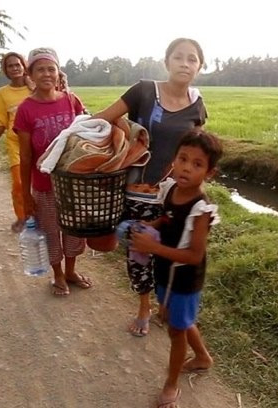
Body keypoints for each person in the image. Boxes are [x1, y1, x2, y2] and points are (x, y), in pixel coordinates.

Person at [93, 38, 207, 336]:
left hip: (175, 195)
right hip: (137, 191)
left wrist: (198, 192)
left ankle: (164, 303)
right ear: (167, 61)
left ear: (199, 67)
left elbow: (198, 150)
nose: (185, 63)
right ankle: (144, 306)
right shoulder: (143, 91)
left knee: (170, 251)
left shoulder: (197, 104)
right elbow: (103, 119)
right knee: (140, 252)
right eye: (178, 57)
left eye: (192, 59)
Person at [132, 129, 222, 408]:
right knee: (179, 320)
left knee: (176, 331)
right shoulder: (171, 189)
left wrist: (153, 247)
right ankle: (203, 358)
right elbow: (167, 218)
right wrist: (151, 226)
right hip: (165, 272)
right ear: (174, 159)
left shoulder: (201, 210)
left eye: (197, 164)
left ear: (209, 173)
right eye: (182, 159)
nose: (186, 168)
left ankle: (171, 384)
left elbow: (195, 255)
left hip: (184, 280)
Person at [13, 47, 92, 296]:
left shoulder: (71, 100)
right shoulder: (26, 109)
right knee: (50, 231)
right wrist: (26, 194)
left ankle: (71, 271)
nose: (46, 74)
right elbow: (26, 157)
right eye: (40, 70)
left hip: (72, 184)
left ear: (58, 72)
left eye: (51, 69)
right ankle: (57, 275)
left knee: (73, 230)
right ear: (30, 75)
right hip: (44, 185)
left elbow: (85, 137)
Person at [0, 52, 34, 232]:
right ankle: (22, 217)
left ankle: (41, 217)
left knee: (40, 183)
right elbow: (2, 121)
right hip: (15, 144)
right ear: (5, 70)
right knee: (18, 183)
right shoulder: (3, 94)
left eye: (18, 64)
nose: (15, 68)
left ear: (24, 66)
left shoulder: (34, 88)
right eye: (10, 66)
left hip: (37, 142)